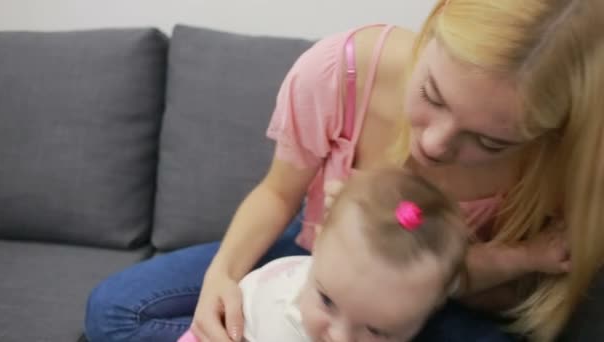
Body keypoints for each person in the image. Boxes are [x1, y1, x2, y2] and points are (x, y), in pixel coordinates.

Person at [84, 0, 604, 341]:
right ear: (431, 29)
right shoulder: (341, 71)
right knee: (114, 311)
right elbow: (277, 191)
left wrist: (483, 268)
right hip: (316, 252)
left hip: (447, 299)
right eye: (431, 96)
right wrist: (222, 278)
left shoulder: (565, 165)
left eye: (490, 141)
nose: (434, 144)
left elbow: (523, 300)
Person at [179, 169, 470, 342]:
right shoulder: (263, 302)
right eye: (327, 301)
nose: (339, 337)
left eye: (376, 331)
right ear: (316, 244)